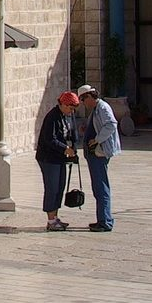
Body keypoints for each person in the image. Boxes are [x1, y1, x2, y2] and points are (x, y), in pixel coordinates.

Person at [74, 84, 120, 232]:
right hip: (93, 154)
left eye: (83, 99)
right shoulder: (95, 110)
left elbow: (111, 124)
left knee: (101, 187)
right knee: (97, 187)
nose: (83, 103)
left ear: (89, 96)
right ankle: (102, 219)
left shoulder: (102, 107)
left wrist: (97, 139)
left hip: (99, 153)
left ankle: (105, 221)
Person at [35, 90, 79, 231]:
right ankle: (50, 219)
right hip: (48, 158)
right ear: (64, 104)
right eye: (70, 108)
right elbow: (49, 139)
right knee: (52, 187)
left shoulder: (68, 116)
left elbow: (73, 133)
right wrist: (65, 148)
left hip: (60, 157)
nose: (71, 112)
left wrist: (73, 148)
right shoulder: (52, 117)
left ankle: (55, 217)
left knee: (60, 186)